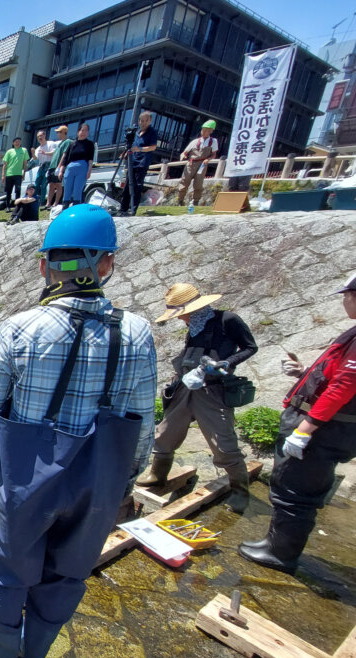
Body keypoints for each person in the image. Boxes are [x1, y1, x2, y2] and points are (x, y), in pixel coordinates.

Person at [0, 204, 157, 658]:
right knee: (68, 568)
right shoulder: (136, 333)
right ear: (106, 264)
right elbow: (143, 419)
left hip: (27, 472)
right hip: (99, 475)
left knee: (7, 567)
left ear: (46, 266)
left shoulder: (20, 329)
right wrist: (127, 474)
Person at [238, 273, 356, 572]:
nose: (344, 301)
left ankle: (281, 553)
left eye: (346, 296)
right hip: (323, 423)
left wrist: (305, 430)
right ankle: (275, 543)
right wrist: (304, 373)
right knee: (289, 484)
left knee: (295, 489)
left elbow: (344, 386)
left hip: (323, 429)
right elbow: (334, 377)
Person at [137, 283, 258, 514]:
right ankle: (157, 476)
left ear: (195, 307)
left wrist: (227, 363)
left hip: (212, 390)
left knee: (223, 442)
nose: (181, 319)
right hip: (185, 387)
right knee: (165, 433)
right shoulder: (194, 324)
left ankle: (240, 492)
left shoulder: (227, 320)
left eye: (183, 314)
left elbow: (250, 347)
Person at [119, 111, 159, 218]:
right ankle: (123, 208)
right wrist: (126, 152)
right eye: (141, 120)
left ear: (149, 121)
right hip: (132, 162)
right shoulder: (136, 132)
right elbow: (132, 146)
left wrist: (139, 149)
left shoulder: (152, 132)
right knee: (127, 185)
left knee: (136, 186)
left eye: (146, 120)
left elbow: (153, 147)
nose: (143, 123)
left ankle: (133, 209)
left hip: (142, 162)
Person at [178, 119, 219, 207]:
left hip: (202, 165)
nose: (203, 132)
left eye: (206, 131)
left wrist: (208, 159)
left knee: (198, 184)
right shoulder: (195, 141)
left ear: (211, 131)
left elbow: (213, 154)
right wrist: (183, 155)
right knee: (184, 182)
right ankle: (180, 201)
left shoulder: (213, 142)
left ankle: (195, 201)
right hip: (191, 163)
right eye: (203, 130)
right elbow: (185, 152)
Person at [58, 123, 95, 207]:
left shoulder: (89, 144)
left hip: (82, 168)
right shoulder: (72, 143)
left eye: (86, 131)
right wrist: (61, 170)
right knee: (67, 190)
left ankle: (76, 207)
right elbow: (65, 158)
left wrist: (89, 170)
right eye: (82, 130)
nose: (83, 132)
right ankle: (65, 209)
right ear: (78, 131)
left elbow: (90, 159)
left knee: (77, 191)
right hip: (70, 168)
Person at [45, 126, 71, 210]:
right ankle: (48, 203)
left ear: (64, 132)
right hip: (52, 166)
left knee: (58, 185)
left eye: (59, 132)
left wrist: (59, 167)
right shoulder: (60, 143)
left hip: (58, 167)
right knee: (51, 184)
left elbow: (64, 155)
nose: (57, 134)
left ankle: (55, 203)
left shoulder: (68, 142)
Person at [2, 137, 31, 211]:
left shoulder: (24, 150)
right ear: (13, 143)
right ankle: (7, 206)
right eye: (16, 141)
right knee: (8, 191)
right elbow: (5, 164)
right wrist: (3, 175)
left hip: (18, 174)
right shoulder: (9, 151)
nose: (17, 143)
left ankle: (17, 206)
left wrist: (24, 173)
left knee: (18, 190)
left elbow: (25, 163)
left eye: (19, 141)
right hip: (9, 174)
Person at [34, 129, 55, 204]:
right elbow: (35, 158)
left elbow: (54, 152)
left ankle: (42, 201)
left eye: (41, 136)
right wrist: (33, 153)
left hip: (49, 165)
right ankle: (35, 200)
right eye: (38, 136)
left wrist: (45, 153)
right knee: (37, 183)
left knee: (44, 184)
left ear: (44, 135)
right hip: (41, 166)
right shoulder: (38, 149)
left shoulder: (50, 143)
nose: (40, 137)